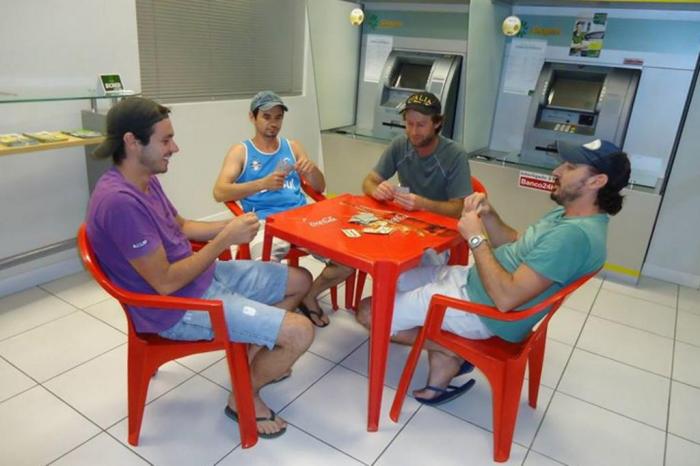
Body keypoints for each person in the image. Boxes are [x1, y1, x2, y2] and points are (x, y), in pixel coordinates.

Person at [86, 97, 314, 439]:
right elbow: (164, 283)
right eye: (165, 140)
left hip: (201, 278)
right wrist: (224, 241)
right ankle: (243, 395)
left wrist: (238, 226)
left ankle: (251, 360)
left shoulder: (144, 178)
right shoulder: (120, 203)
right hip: (175, 309)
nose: (174, 148)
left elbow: (182, 226)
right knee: (301, 332)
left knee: (301, 280)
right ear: (132, 142)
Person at [357, 139, 631, 405]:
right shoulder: (569, 216)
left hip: (484, 311)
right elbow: (514, 242)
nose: (557, 171)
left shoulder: (574, 237)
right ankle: (444, 355)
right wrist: (489, 215)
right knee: (396, 277)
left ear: (597, 181)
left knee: (369, 312)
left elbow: (505, 298)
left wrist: (476, 239)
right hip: (472, 284)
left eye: (570, 167)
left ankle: (451, 349)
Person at [362, 91, 473, 220]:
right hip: (409, 220)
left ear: (437, 123)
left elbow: (460, 209)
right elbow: (368, 182)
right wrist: (376, 190)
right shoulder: (400, 144)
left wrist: (423, 204)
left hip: (443, 225)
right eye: (409, 124)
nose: (414, 132)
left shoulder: (455, 155)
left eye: (421, 125)